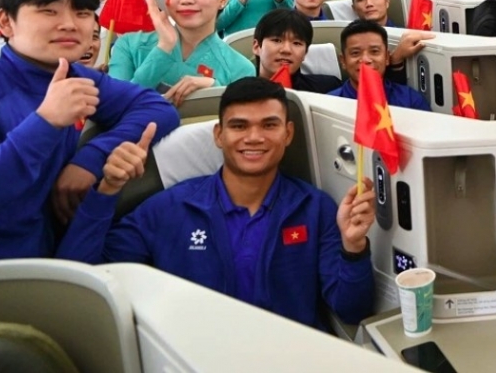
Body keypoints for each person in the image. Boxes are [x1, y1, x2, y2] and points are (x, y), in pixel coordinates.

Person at [58, 77, 375, 329]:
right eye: (239, 126)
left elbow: (351, 309)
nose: (254, 137)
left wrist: (353, 246)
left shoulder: (315, 208)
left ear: (288, 133)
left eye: (269, 125)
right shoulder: (168, 209)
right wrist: (108, 190)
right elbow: (83, 278)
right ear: (218, 135)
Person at [0, 0, 178, 259]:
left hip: (69, 252)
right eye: (48, 10)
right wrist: (46, 121)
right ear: (6, 21)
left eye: (83, 12)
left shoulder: (79, 76)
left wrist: (90, 159)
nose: (69, 24)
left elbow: (157, 108)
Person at [111, 0, 256, 104]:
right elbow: (115, 107)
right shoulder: (129, 45)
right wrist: (163, 49)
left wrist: (216, 90)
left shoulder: (240, 68)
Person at [328, 21, 430, 111]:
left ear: (386, 58)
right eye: (355, 53)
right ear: (343, 61)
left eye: (374, 51)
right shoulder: (328, 104)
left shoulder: (411, 100)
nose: (365, 60)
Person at [251, 9, 342, 94]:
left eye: (296, 43)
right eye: (277, 40)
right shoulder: (239, 91)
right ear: (256, 47)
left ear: (305, 53)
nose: (286, 50)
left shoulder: (327, 89)